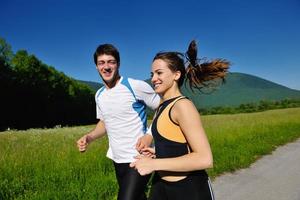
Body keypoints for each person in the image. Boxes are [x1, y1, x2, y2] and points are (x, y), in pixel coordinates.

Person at [130, 40, 230, 200]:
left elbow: (204, 158)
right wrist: (158, 153)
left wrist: (153, 164)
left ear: (176, 74)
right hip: (161, 185)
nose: (153, 78)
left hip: (188, 189)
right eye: (152, 74)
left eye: (159, 73)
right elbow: (179, 146)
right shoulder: (161, 105)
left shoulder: (182, 106)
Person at [77, 43, 160, 200]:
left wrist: (150, 135)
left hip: (139, 157)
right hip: (117, 158)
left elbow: (164, 108)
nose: (106, 67)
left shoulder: (135, 86)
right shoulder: (99, 95)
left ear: (118, 64)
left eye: (111, 62)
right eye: (101, 63)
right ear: (96, 66)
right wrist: (89, 137)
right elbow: (104, 123)